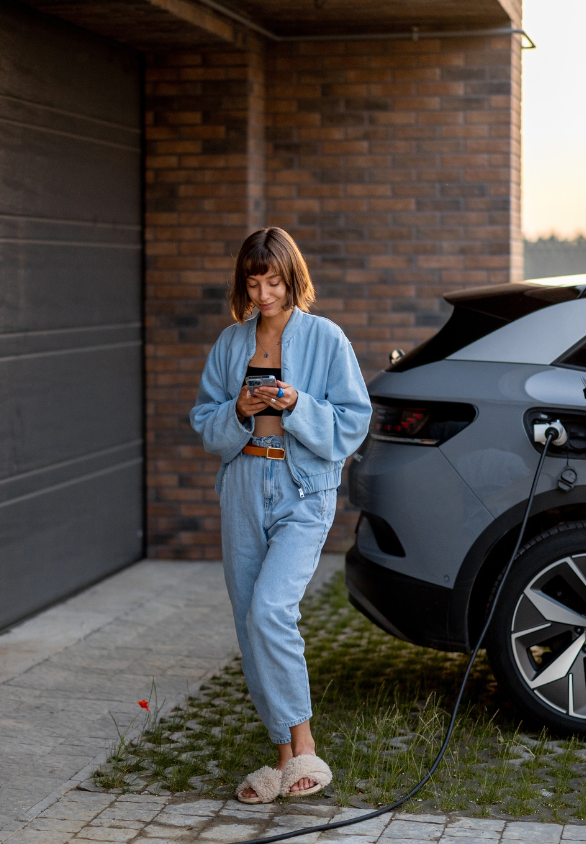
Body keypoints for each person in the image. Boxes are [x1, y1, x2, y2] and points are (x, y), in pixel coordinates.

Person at [189, 227, 372, 803]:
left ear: (293, 278)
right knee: (250, 620)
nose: (264, 294)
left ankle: (306, 745)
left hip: (302, 489)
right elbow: (204, 421)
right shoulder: (230, 343)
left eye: (273, 281)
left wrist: (297, 404)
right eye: (253, 283)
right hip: (244, 483)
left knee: (271, 610)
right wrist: (238, 411)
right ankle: (283, 758)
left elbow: (353, 420)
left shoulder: (327, 337)